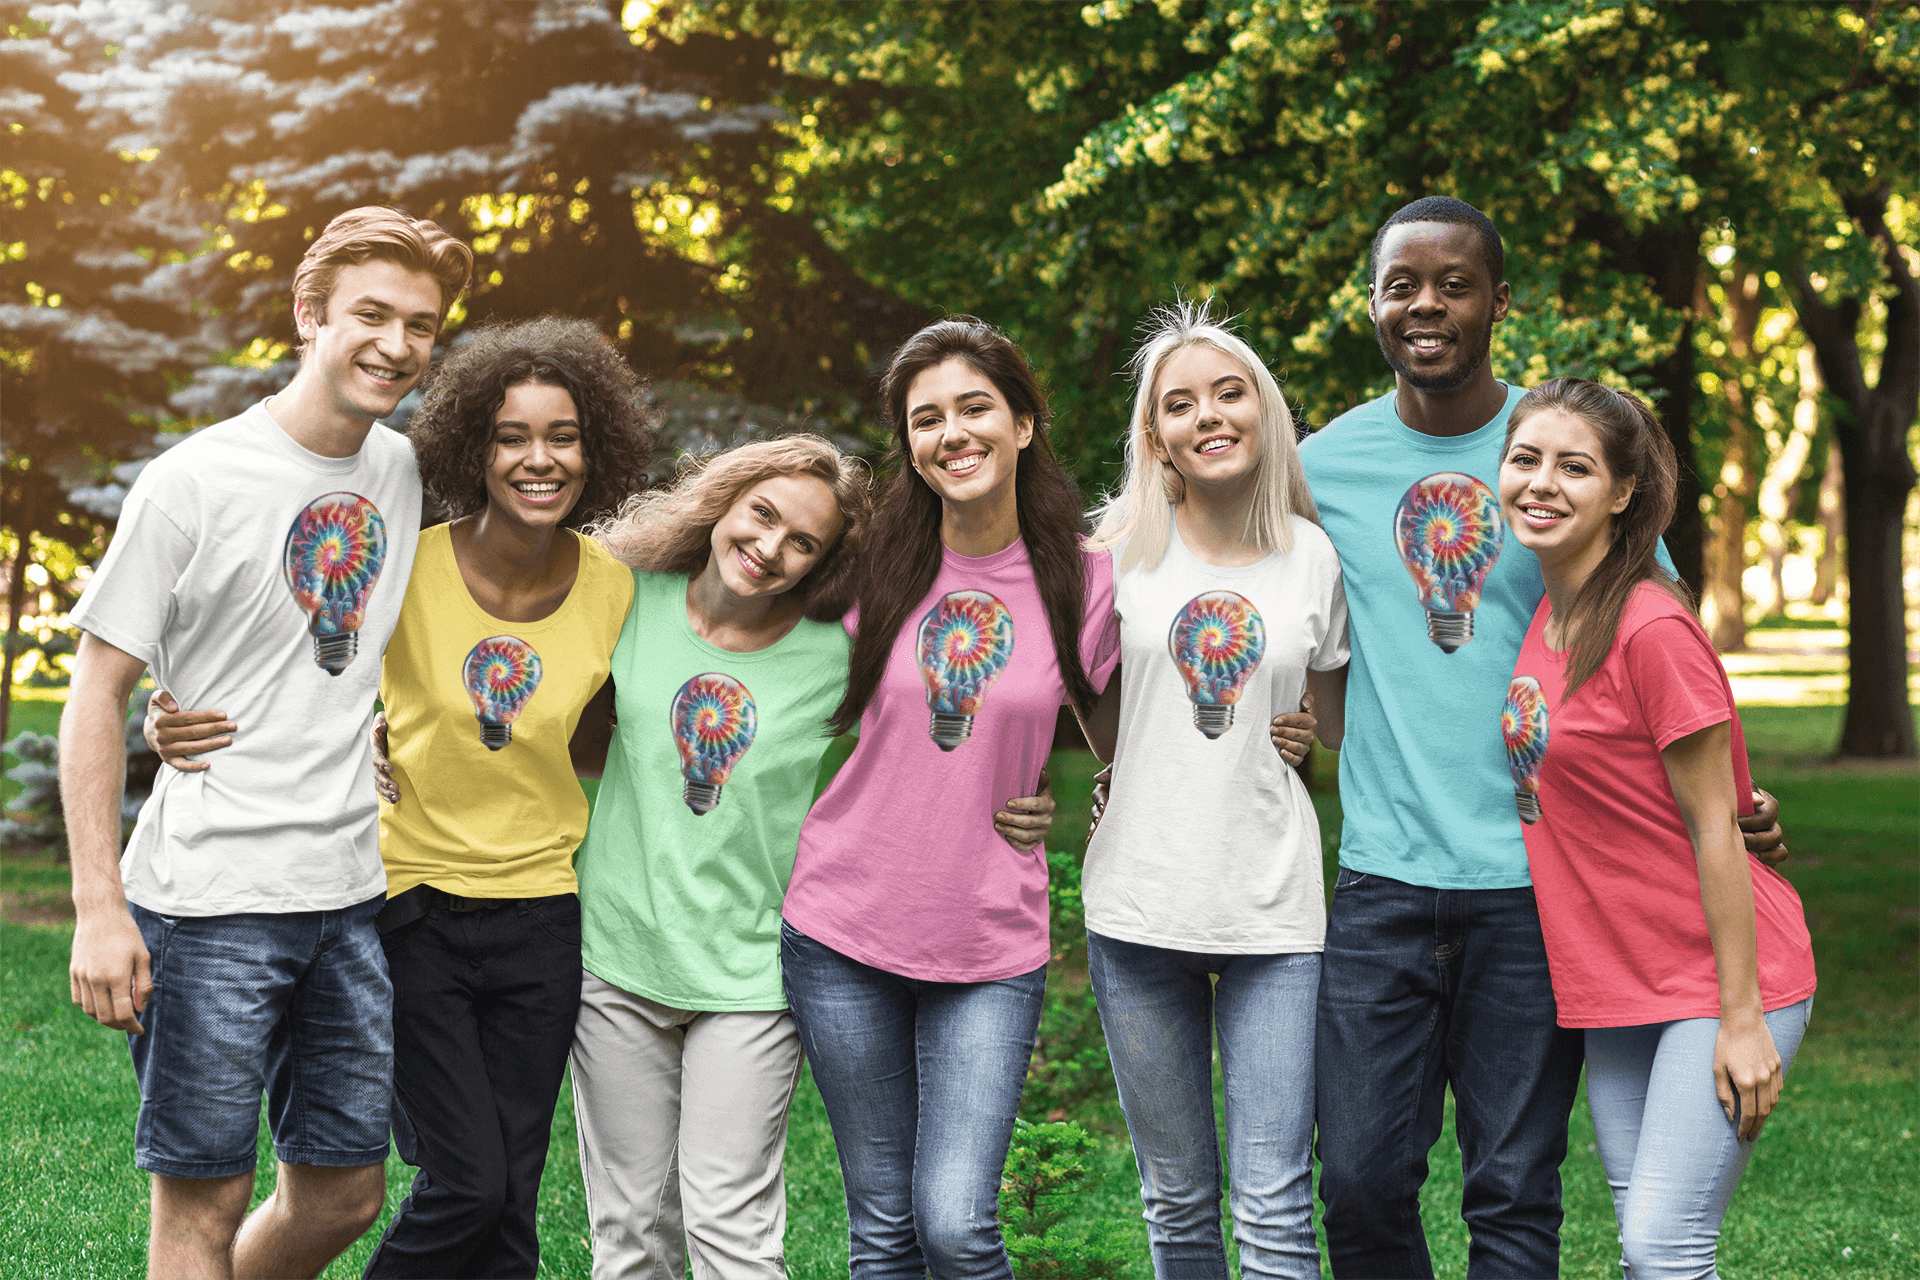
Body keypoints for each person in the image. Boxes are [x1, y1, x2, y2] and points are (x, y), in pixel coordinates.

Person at [1297, 195, 1789, 1278]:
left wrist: (1735, 802)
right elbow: (1251, 595)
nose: (1426, 304)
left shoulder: (1560, 448)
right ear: (1372, 305)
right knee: (1362, 1183)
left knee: (1514, 1190)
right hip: (1380, 877)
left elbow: (1663, 656)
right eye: (1401, 284)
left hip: (1536, 887)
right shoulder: (1319, 465)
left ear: (1499, 301)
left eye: (1455, 282)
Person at [148, 315, 656, 1276]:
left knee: (511, 1192)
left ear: (597, 452)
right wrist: (164, 717)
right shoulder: (403, 566)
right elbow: (283, 672)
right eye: (512, 436)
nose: (539, 459)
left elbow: (694, 689)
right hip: (409, 904)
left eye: (563, 436)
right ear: (475, 446)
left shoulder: (617, 593)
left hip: (543, 914)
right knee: (468, 1182)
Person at [62, 207, 472, 1280]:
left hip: (345, 895)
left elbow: (345, 647)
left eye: (421, 324)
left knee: (344, 1192)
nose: (395, 343)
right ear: (308, 314)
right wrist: (99, 909)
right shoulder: (193, 481)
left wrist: (372, 726)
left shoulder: (399, 469)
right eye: (370, 314)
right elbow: (94, 691)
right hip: (207, 899)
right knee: (206, 1200)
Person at [777, 316, 1119, 1278]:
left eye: (976, 408)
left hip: (987, 942)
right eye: (927, 420)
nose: (952, 434)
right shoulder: (869, 569)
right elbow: (730, 642)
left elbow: (1134, 748)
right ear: (910, 448)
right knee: (882, 1235)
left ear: (1023, 424)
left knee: (957, 1225)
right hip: (844, 928)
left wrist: (1289, 725)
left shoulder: (1085, 584)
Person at [1496, 378, 1814, 1278]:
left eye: (1576, 467)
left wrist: (1742, 1017)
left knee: (1663, 1244)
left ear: (1624, 493)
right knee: (1649, 1243)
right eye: (1526, 460)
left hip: (1718, 978)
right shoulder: (1552, 617)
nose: (1543, 483)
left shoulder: (1649, 626)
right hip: (1620, 979)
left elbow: (1720, 827)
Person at [1077, 301, 1348, 1279]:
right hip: (1137, 908)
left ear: (1264, 410)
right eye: (1180, 403)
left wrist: (1309, 731)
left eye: (1229, 392)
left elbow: (1333, 718)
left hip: (1275, 914)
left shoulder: (1315, 558)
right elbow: (1086, 697)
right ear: (1157, 436)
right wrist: (1119, 764)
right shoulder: (1110, 557)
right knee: (1178, 1199)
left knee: (1275, 1203)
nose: (1209, 415)